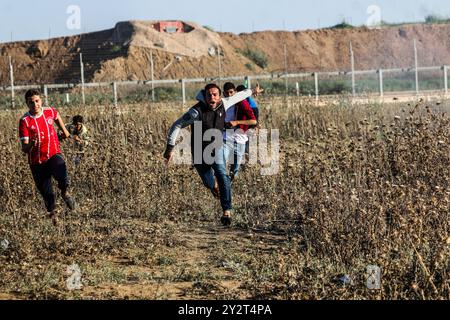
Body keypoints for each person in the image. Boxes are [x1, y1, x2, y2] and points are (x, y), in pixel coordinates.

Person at [164, 83, 263, 227]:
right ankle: (214, 186)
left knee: (222, 173)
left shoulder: (224, 103)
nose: (212, 97)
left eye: (215, 94)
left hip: (216, 147)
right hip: (199, 151)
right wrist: (169, 148)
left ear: (219, 96)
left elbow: (239, 96)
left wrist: (253, 91)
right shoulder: (196, 112)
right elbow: (177, 125)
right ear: (204, 96)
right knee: (208, 182)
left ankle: (226, 211)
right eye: (209, 95)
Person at [19, 89, 76, 226]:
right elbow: (24, 149)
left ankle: (65, 192)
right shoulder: (25, 121)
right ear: (27, 104)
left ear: (41, 100)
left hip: (53, 154)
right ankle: (54, 219)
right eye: (31, 102)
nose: (35, 105)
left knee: (62, 174)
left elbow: (56, 116)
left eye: (37, 101)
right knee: (47, 194)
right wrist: (32, 143)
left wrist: (65, 131)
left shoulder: (49, 111)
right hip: (37, 162)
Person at [222, 82, 257, 182]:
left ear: (235, 92)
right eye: (227, 93)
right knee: (221, 163)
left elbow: (253, 121)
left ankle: (230, 186)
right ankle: (222, 185)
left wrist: (237, 122)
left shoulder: (242, 103)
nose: (229, 95)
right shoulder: (222, 103)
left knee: (235, 169)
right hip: (225, 138)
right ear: (223, 94)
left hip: (239, 139)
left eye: (231, 92)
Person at [237, 84, 260, 157]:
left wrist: (255, 126)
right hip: (245, 125)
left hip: (250, 124)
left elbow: (255, 115)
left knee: (248, 140)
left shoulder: (249, 102)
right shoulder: (243, 100)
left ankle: (248, 155)